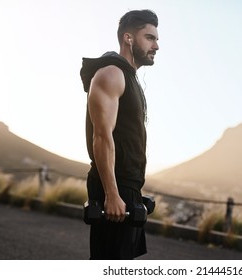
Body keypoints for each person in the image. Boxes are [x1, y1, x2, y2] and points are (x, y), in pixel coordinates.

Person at [80, 9, 159, 260]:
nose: (156, 45)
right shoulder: (112, 73)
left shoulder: (130, 78)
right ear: (128, 38)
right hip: (115, 187)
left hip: (129, 187)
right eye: (149, 37)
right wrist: (112, 194)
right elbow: (102, 137)